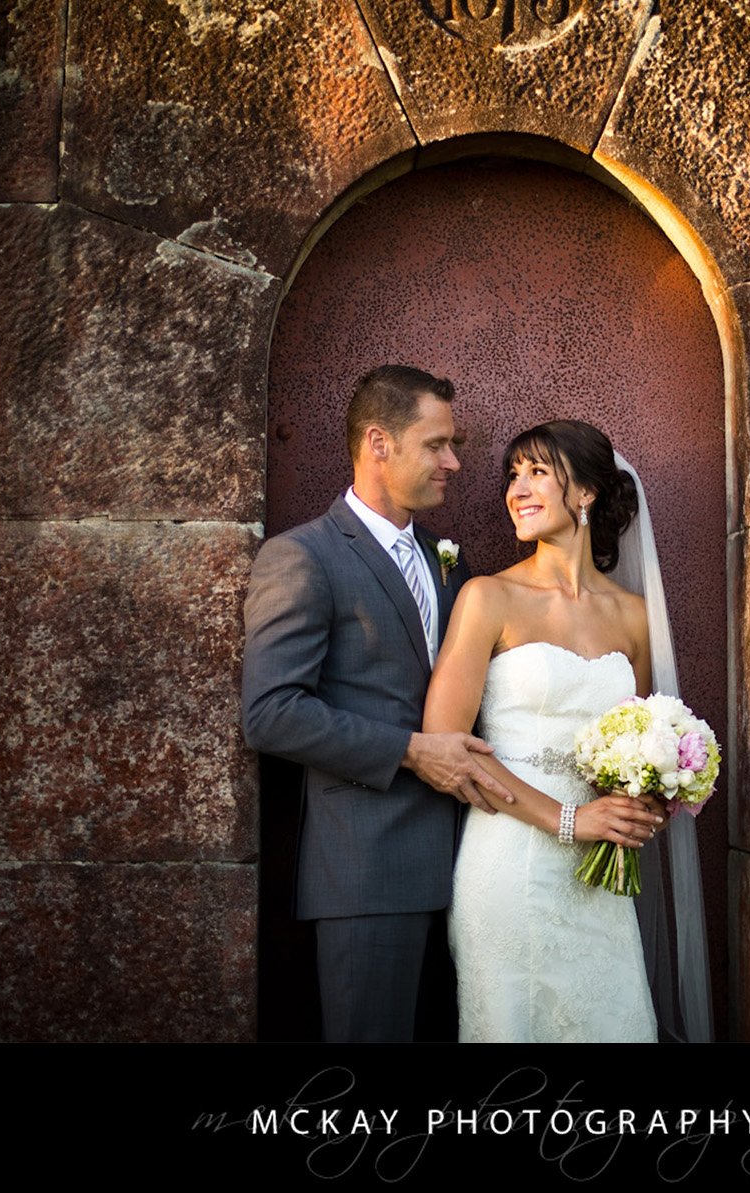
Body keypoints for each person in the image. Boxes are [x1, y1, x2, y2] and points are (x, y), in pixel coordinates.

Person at [241, 364, 512, 1043]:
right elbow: (271, 711)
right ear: (379, 443)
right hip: (368, 870)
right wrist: (413, 751)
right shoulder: (302, 556)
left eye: (455, 444)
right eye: (437, 444)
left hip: (474, 869)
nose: (454, 461)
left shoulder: (446, 559)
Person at [424, 419, 711, 1043]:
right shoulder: (487, 597)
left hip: (599, 875)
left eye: (536, 473)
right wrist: (569, 820)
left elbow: (642, 740)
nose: (516, 490)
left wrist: (646, 803)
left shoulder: (634, 617)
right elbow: (448, 750)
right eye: (512, 476)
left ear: (585, 492)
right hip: (509, 863)